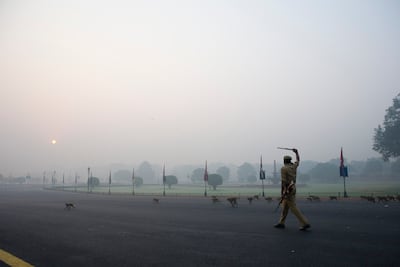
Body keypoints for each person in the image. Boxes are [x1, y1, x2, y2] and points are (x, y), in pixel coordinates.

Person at [274, 148, 310, 231]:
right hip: (293, 187)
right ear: (289, 160)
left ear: (284, 161)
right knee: (285, 206)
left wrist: (282, 193)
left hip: (287, 189)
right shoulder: (293, 166)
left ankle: (305, 223)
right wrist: (297, 152)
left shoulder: (283, 168)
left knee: (293, 207)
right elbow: (298, 160)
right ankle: (281, 223)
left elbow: (284, 182)